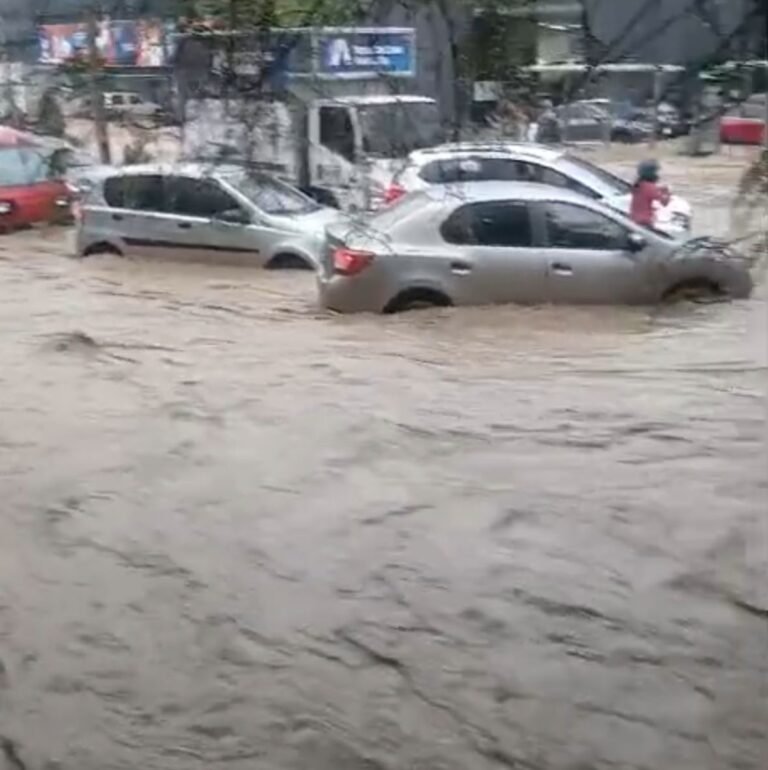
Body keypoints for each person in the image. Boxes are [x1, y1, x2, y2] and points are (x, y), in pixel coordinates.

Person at [630, 159, 670, 229]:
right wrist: (666, 191)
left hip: (634, 219)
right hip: (645, 222)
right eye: (657, 171)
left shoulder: (638, 184)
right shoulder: (650, 187)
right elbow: (664, 202)